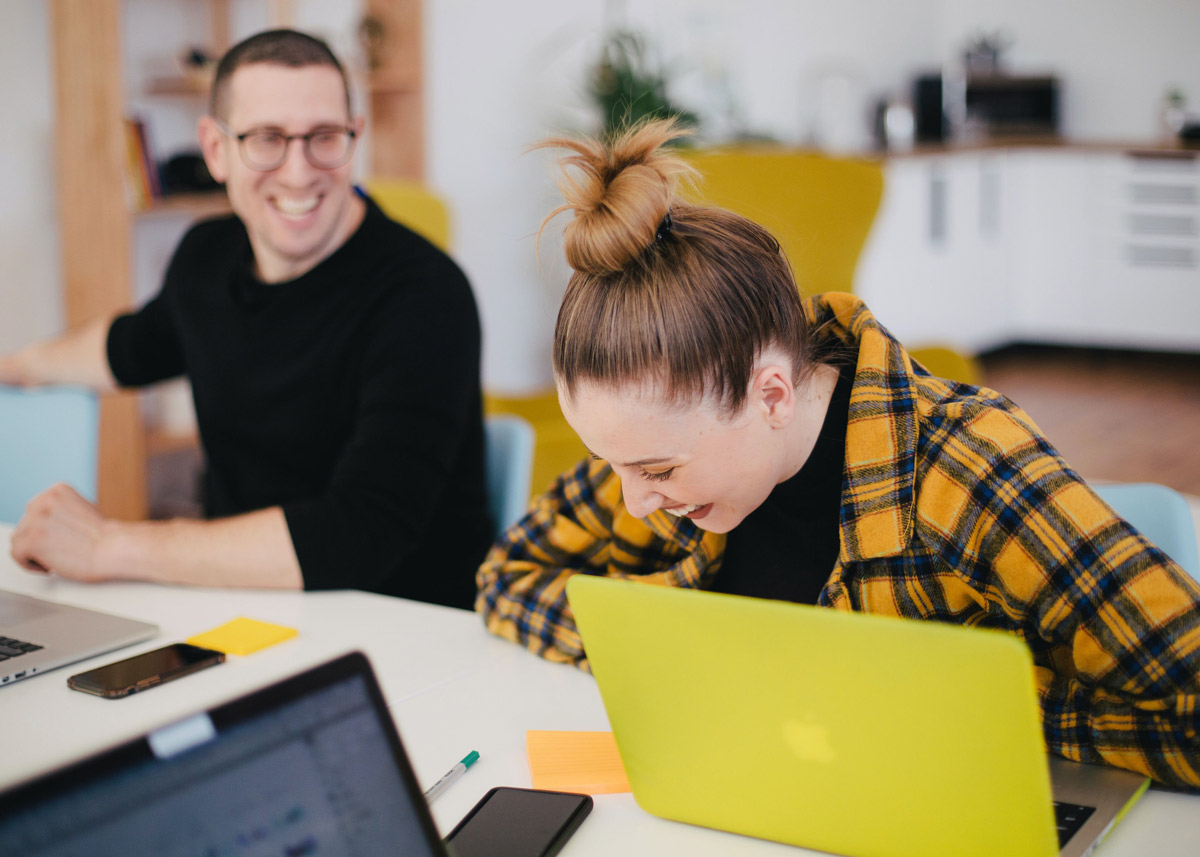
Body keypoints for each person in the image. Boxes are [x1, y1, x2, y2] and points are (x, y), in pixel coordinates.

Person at [476, 118, 1200, 788]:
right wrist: (677, 645)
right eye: (613, 464)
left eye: (657, 470)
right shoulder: (663, 452)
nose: (634, 499)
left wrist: (985, 707)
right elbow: (507, 577)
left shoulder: (968, 470)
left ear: (771, 395)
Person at [0, 30, 491, 608]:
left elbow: (361, 532)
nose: (298, 172)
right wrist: (19, 365)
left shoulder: (425, 296)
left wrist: (107, 546)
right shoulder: (207, 257)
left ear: (354, 138)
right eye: (267, 139)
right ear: (215, 150)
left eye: (324, 137)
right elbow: (133, 346)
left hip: (400, 630)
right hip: (239, 609)